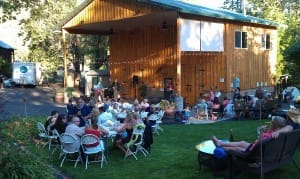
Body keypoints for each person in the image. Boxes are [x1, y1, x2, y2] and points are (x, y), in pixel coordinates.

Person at [212, 116, 287, 152]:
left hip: (255, 152)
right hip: (255, 147)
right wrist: (264, 132)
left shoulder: (273, 135)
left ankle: (221, 147)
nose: (270, 124)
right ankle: (220, 143)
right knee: (242, 142)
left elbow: (261, 143)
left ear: (274, 125)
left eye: (271, 123)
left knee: (238, 148)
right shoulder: (276, 132)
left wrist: (261, 132)